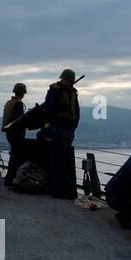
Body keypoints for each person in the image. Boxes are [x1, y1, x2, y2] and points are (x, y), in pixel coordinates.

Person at [43, 68, 80, 198]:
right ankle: (57, 191)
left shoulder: (73, 93)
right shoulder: (54, 91)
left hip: (68, 131)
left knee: (64, 162)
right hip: (57, 130)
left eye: (68, 80)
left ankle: (64, 189)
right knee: (57, 162)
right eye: (65, 79)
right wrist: (52, 128)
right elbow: (47, 111)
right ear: (61, 79)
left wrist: (73, 127)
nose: (66, 82)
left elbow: (76, 111)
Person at [2, 83, 28, 187]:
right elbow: (20, 120)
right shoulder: (18, 104)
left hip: (9, 133)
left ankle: (9, 179)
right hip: (17, 134)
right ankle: (11, 180)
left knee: (14, 155)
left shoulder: (9, 102)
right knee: (16, 157)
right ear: (23, 93)